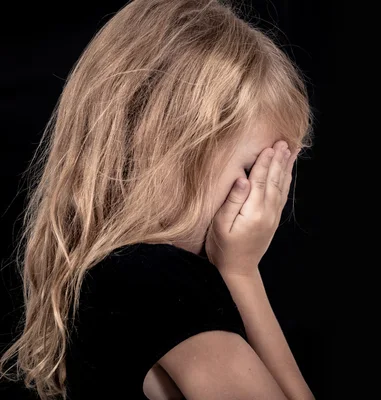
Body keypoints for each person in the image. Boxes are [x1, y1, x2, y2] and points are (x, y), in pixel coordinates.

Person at [0, 0, 315, 399]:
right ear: (175, 151)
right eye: (255, 168)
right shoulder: (157, 285)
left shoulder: (109, 279)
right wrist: (241, 274)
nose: (265, 197)